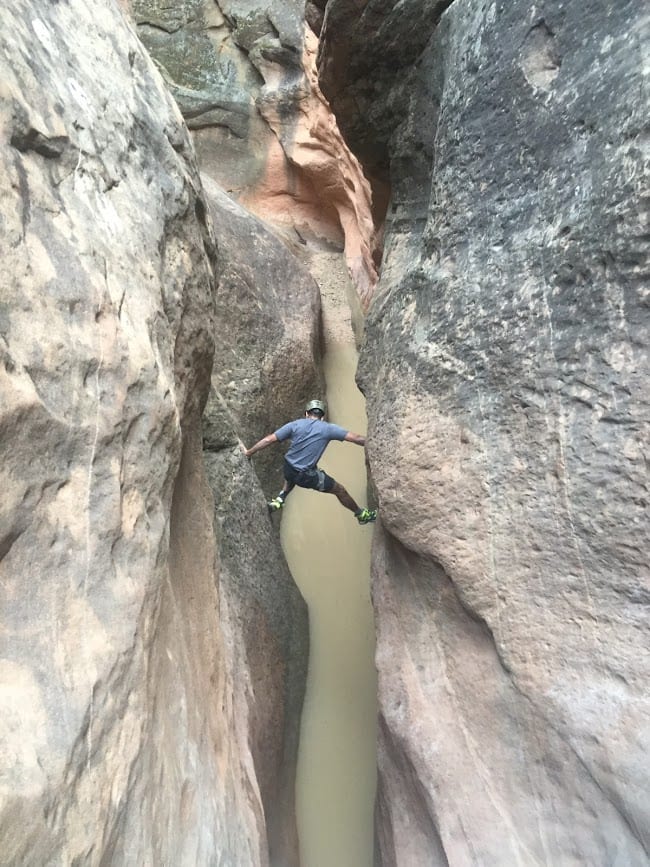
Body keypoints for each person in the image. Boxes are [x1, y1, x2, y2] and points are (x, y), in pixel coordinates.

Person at [243, 399, 377, 524]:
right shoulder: (328, 428)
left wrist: (249, 452)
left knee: (294, 472)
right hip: (306, 476)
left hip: (288, 468)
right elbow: (356, 438)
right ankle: (361, 515)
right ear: (322, 417)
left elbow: (268, 440)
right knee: (340, 490)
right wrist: (376, 443)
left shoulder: (294, 425)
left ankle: (279, 500)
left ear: (307, 414)